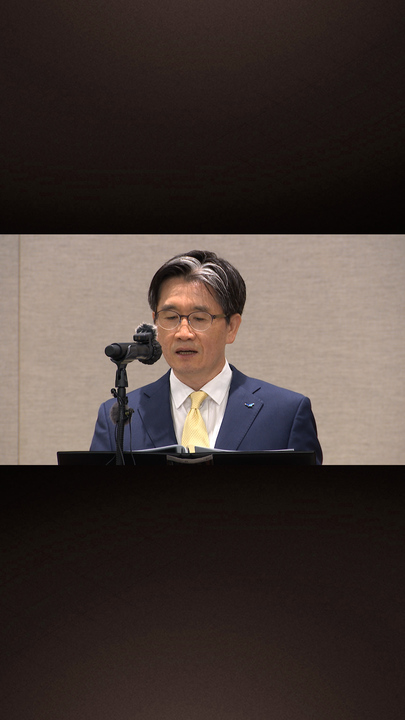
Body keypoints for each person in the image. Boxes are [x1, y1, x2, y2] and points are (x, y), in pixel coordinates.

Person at [90, 250, 323, 463]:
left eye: (199, 318)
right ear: (155, 322)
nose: (183, 333)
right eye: (170, 317)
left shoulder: (286, 414)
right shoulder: (117, 418)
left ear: (232, 327)